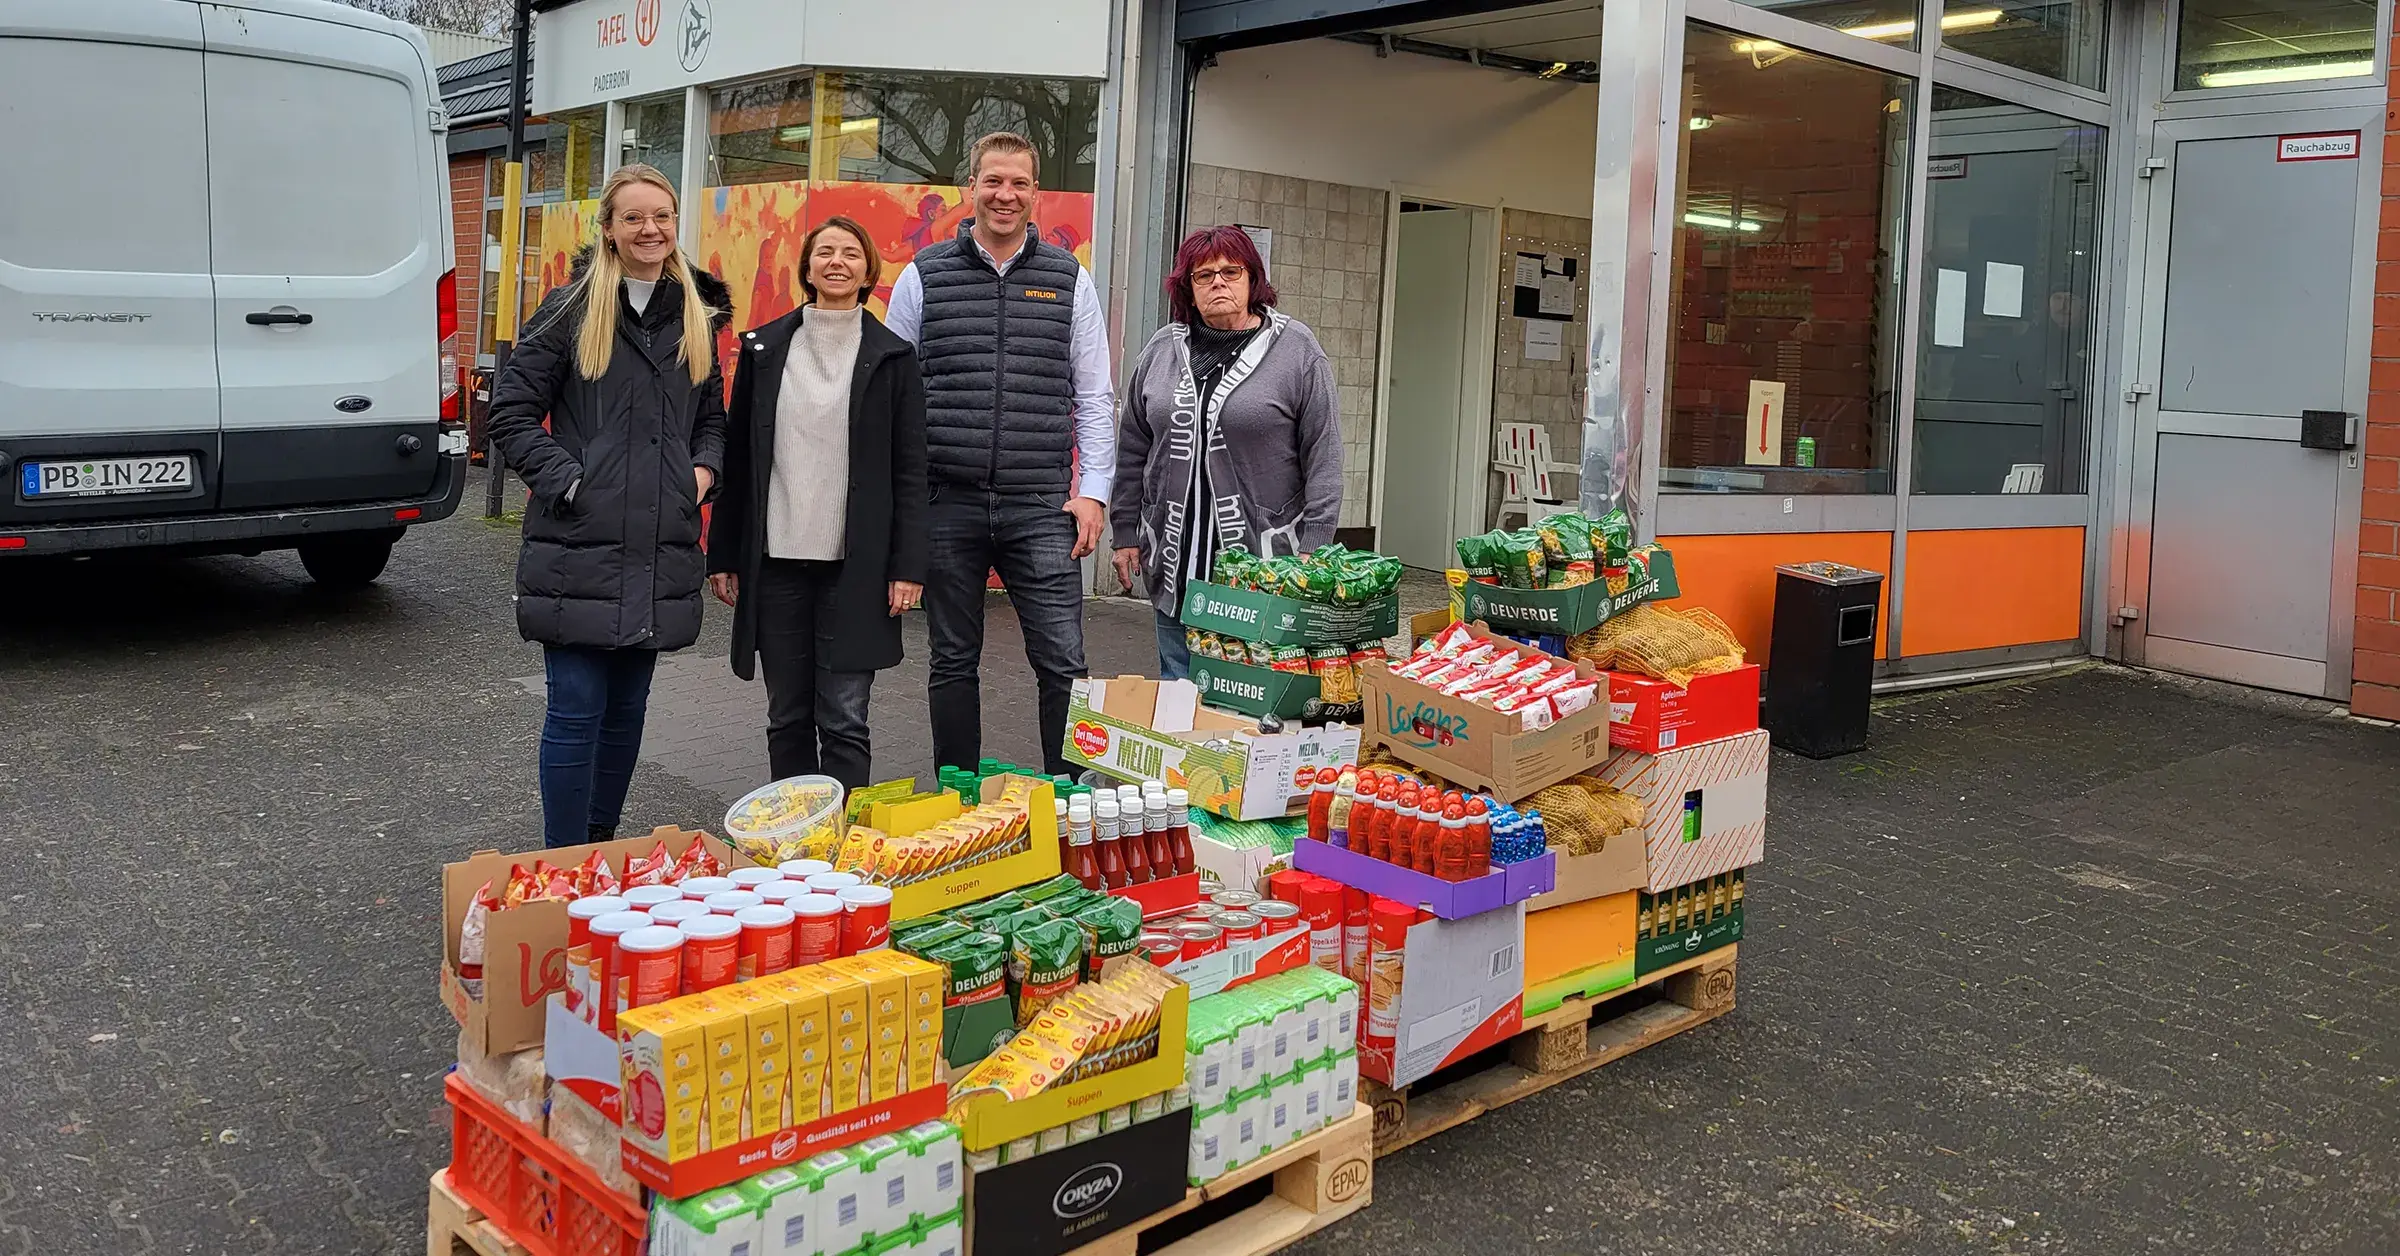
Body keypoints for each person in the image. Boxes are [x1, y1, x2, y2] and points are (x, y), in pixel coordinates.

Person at [487, 163, 730, 848]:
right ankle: (566, 861)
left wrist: (700, 475)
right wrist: (571, 482)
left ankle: (600, 843)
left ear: (675, 223)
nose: (650, 229)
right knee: (575, 708)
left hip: (658, 543)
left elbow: (711, 419)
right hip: (578, 546)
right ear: (610, 229)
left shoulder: (695, 314)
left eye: (661, 216)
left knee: (627, 710)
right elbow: (509, 413)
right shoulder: (571, 310)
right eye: (634, 217)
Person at [882, 131, 1115, 778]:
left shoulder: (1069, 280)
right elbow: (893, 395)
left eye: (1018, 183)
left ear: (1036, 193)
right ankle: (960, 798)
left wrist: (1093, 492)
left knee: (1063, 662)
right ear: (971, 188)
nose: (1004, 195)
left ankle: (1071, 802)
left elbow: (1095, 396)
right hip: (946, 502)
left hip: (1040, 504)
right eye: (993, 181)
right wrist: (903, 505)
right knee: (953, 661)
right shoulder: (923, 276)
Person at [705, 216, 929, 790]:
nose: (837, 262)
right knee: (787, 717)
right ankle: (793, 832)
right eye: (824, 251)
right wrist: (723, 554)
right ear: (806, 267)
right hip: (776, 562)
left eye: (850, 253)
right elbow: (739, 458)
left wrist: (908, 566)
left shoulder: (893, 357)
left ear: (868, 271)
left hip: (857, 567)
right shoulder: (763, 350)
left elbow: (910, 470)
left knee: (845, 718)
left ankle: (843, 832)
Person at [1112, 226, 1342, 679]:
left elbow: (1324, 453)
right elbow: (1134, 445)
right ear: (1188, 288)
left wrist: (1314, 545)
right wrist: (1125, 531)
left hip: (1263, 565)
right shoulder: (1162, 349)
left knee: (1250, 695)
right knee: (1179, 692)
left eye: (1230, 272)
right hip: (1177, 563)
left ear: (1253, 279)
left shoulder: (1296, 350)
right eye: (1203, 275)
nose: (1218, 282)